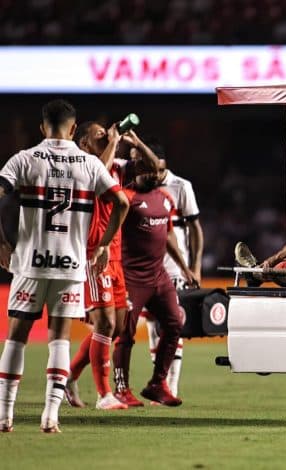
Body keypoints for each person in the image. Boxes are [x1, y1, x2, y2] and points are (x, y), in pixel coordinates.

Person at [0, 99, 129, 432]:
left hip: (30, 263)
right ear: (73, 129)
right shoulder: (89, 164)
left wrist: (1, 243)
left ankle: (4, 416)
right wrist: (104, 245)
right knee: (59, 339)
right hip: (70, 265)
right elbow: (121, 202)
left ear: (42, 127)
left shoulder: (25, 158)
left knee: (16, 338)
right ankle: (50, 416)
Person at [63, 122, 161, 409]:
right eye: (99, 135)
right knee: (104, 323)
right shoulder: (83, 165)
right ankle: (104, 394)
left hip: (116, 256)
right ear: (84, 143)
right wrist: (114, 142)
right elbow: (99, 177)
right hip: (94, 252)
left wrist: (138, 144)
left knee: (116, 327)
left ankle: (70, 376)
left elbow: (154, 169)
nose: (106, 136)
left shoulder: (117, 166)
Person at [113, 158, 196, 407]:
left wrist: (184, 268)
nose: (153, 175)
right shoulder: (126, 199)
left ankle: (157, 384)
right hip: (131, 277)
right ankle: (121, 389)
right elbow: (111, 232)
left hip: (159, 275)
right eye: (147, 171)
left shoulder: (164, 198)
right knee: (125, 333)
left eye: (155, 171)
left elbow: (169, 235)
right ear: (135, 173)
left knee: (175, 323)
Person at [145, 153, 203, 399]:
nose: (157, 175)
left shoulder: (181, 186)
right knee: (151, 328)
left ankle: (171, 384)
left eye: (160, 170)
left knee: (173, 323)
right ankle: (160, 383)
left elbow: (195, 228)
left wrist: (195, 267)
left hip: (175, 269)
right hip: (146, 267)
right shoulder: (142, 187)